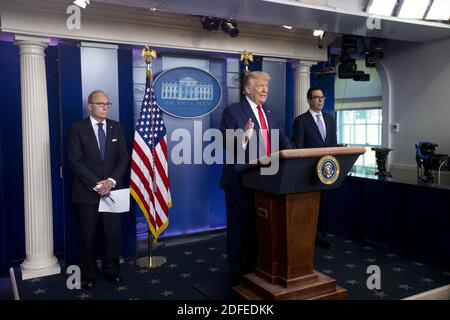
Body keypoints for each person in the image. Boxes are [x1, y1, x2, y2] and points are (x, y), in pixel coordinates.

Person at [220, 71, 292, 286]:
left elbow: (282, 139)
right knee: (240, 230)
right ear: (247, 89)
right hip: (240, 182)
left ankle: (256, 271)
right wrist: (243, 136)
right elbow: (226, 143)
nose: (265, 90)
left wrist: (296, 156)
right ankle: (238, 278)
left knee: (260, 229)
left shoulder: (270, 113)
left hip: (267, 180)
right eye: (260, 86)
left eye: (266, 87)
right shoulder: (233, 111)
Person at [68, 90, 129, 289]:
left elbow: (123, 158)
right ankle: (88, 273)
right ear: (90, 106)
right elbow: (75, 162)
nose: (105, 107)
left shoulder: (117, 128)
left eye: (108, 104)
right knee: (87, 236)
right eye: (101, 103)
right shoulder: (77, 128)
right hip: (87, 194)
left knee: (111, 235)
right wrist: (97, 184)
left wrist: (110, 181)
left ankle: (111, 270)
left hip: (112, 192)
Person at [291, 87, 337, 250]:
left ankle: (321, 235)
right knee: (310, 205)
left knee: (324, 204)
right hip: (309, 171)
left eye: (322, 97)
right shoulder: (301, 120)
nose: (320, 100)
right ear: (309, 100)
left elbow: (332, 145)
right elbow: (298, 147)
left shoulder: (330, 119)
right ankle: (309, 235)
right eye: (316, 97)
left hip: (327, 170)